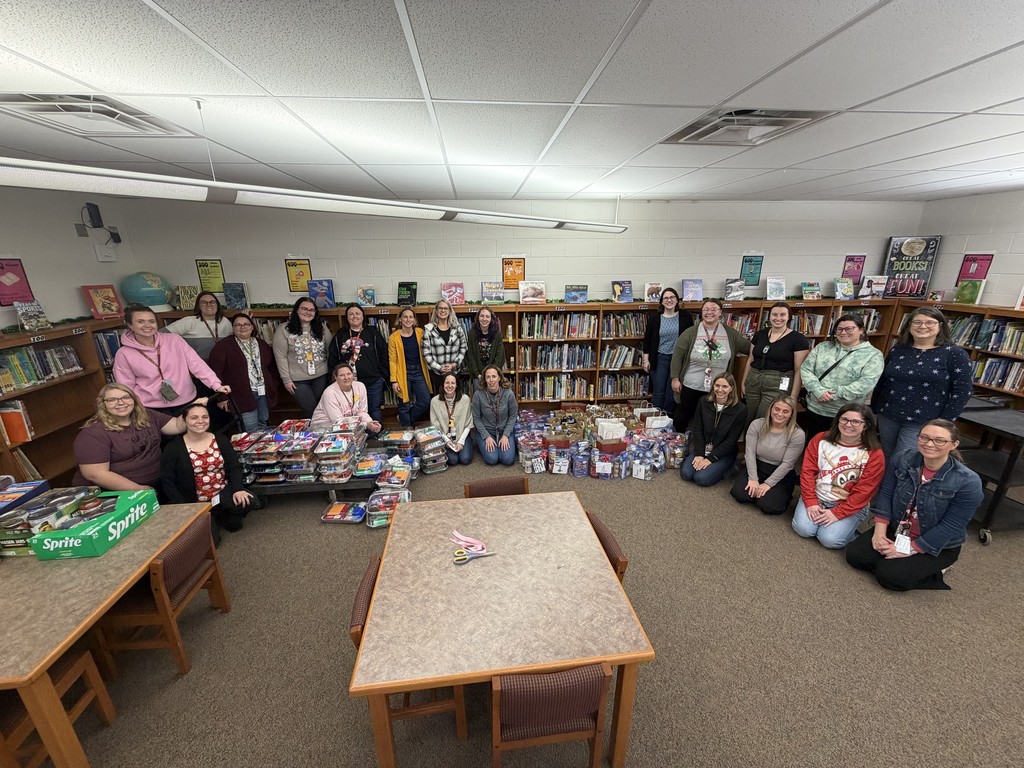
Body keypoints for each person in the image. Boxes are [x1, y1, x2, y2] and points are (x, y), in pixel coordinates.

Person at [846, 419, 983, 591]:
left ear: (954, 444)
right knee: (855, 557)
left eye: (939, 440)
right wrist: (879, 532)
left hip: (935, 542)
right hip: (898, 529)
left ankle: (938, 568)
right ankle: (898, 561)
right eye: (924, 437)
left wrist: (912, 548)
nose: (929, 444)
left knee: (890, 577)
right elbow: (886, 493)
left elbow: (952, 525)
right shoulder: (903, 458)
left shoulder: (968, 481)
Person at [871, 307, 973, 463]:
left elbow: (962, 391)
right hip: (888, 414)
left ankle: (900, 487)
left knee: (904, 460)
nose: (922, 326)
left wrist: (944, 423)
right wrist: (875, 407)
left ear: (941, 326)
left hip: (924, 420)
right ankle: (885, 487)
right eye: (917, 322)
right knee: (885, 456)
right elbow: (883, 380)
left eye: (929, 322)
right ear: (909, 325)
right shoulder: (898, 350)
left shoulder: (954, 354)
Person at [73, 383, 197, 495]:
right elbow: (96, 474)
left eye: (126, 398)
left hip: (158, 482)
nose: (121, 403)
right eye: (112, 400)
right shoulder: (93, 434)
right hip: (119, 493)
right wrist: (139, 489)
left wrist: (193, 409)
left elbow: (176, 426)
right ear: (103, 404)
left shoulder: (147, 415)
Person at [792, 403, 885, 549]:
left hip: (847, 503)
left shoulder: (874, 454)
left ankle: (849, 528)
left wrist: (837, 513)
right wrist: (811, 502)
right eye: (844, 419)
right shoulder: (820, 439)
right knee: (804, 530)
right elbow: (807, 472)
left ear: (866, 425)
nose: (848, 424)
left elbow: (864, 491)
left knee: (829, 540)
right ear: (838, 420)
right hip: (818, 496)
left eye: (855, 421)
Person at [113, 303, 230, 414]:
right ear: (129, 325)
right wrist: (134, 408)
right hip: (150, 408)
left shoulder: (175, 340)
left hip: (187, 401)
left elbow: (197, 364)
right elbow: (126, 385)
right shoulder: (123, 353)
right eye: (140, 321)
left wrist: (215, 384)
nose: (147, 325)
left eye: (151, 321)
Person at [161, 401, 256, 534]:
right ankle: (213, 516)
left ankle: (224, 511)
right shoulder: (173, 448)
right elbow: (167, 480)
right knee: (212, 541)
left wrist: (238, 489)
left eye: (204, 417)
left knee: (247, 506)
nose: (200, 421)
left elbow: (234, 467)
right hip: (194, 501)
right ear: (184, 421)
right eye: (194, 417)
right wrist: (184, 506)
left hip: (222, 493)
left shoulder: (220, 439)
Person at [670, 298, 752, 432]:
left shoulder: (730, 334)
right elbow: (677, 357)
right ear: (701, 312)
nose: (709, 313)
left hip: (718, 387)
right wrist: (675, 378)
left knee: (711, 419)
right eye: (706, 310)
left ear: (721, 313)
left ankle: (705, 447)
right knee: (683, 415)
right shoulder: (690, 333)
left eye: (714, 309)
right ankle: (678, 444)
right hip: (691, 384)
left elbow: (750, 349)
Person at [799, 313, 884, 438]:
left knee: (840, 449)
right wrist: (819, 390)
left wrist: (832, 394)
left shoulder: (873, 355)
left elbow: (865, 384)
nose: (843, 332)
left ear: (861, 330)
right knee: (814, 444)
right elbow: (806, 369)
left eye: (849, 328)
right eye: (839, 329)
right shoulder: (823, 347)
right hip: (816, 408)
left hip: (848, 415)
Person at [730, 396, 806, 514]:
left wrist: (767, 484)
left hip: (780, 471)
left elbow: (787, 464)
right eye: (777, 409)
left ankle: (783, 495)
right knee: (740, 495)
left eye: (785, 411)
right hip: (758, 466)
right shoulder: (757, 424)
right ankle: (758, 491)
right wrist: (753, 479)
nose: (780, 414)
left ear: (791, 414)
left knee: (769, 506)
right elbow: (749, 453)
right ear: (771, 409)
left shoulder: (797, 434)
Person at [208, 312, 279, 433]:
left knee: (263, 422)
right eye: (238, 325)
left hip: (263, 392)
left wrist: (274, 385)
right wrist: (222, 397)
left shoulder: (261, 344)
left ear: (252, 326)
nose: (243, 327)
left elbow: (271, 367)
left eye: (246, 324)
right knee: (249, 428)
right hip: (241, 395)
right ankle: (250, 450)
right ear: (233, 328)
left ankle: (261, 450)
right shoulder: (223, 346)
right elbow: (215, 372)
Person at [741, 302, 810, 424]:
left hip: (777, 384)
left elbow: (799, 369)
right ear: (769, 316)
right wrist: (744, 381)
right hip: (754, 380)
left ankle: (762, 443)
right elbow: (751, 359)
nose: (778, 318)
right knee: (748, 417)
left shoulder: (798, 340)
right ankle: (749, 442)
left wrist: (793, 396)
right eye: (774, 314)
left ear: (789, 317)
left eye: (782, 315)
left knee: (763, 419)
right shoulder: (760, 334)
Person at [326, 303, 389, 425]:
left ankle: (374, 436)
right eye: (351, 314)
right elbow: (333, 358)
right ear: (347, 317)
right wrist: (334, 378)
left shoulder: (373, 332)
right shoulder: (340, 335)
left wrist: (382, 375)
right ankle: (358, 438)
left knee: (374, 409)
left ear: (363, 316)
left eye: (357, 313)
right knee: (352, 412)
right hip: (348, 383)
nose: (354, 316)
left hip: (373, 380)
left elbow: (384, 353)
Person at [680, 373, 746, 487]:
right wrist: (700, 455)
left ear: (732, 388)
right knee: (686, 474)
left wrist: (711, 459)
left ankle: (728, 468)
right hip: (703, 448)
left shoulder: (740, 410)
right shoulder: (703, 402)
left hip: (724, 453)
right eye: (717, 385)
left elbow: (731, 440)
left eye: (725, 386)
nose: (720, 390)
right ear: (713, 386)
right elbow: (698, 429)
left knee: (701, 478)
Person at [273, 297, 333, 419]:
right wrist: (286, 379)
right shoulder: (284, 330)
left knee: (324, 408)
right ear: (296, 310)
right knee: (310, 409)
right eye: (304, 309)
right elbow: (281, 356)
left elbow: (330, 351)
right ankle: (314, 436)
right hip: (297, 380)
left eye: (312, 310)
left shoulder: (322, 328)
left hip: (321, 376)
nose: (308, 312)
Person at [642, 287, 693, 414]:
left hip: (678, 359)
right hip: (660, 358)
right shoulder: (655, 318)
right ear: (661, 301)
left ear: (677, 300)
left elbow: (691, 338)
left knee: (673, 392)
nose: (669, 300)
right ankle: (655, 418)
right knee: (659, 392)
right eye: (665, 298)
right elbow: (647, 340)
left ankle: (667, 421)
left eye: (672, 297)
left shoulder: (685, 317)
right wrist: (645, 360)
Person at [388, 307, 432, 427]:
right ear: (400, 320)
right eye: (405, 317)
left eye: (411, 317)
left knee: (425, 401)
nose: (408, 319)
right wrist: (394, 380)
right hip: (403, 373)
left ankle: (405, 420)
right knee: (404, 404)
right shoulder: (394, 337)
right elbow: (392, 360)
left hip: (419, 371)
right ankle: (407, 430)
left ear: (414, 320)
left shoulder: (420, 333)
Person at [310, 363, 382, 433]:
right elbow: (339, 422)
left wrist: (370, 422)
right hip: (323, 429)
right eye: (342, 375)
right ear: (336, 377)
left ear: (353, 375)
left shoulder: (360, 386)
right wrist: (366, 425)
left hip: (348, 427)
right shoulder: (329, 393)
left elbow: (362, 411)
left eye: (349, 374)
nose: (346, 377)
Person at [163, 291, 231, 359]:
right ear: (199, 306)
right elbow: (160, 335)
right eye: (204, 302)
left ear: (217, 305)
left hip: (220, 365)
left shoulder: (225, 322)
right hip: (195, 366)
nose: (208, 304)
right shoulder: (189, 321)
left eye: (212, 302)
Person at [472, 365, 518, 466]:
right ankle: (483, 445)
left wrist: (506, 435)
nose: (491, 380)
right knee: (492, 459)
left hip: (504, 430)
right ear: (484, 379)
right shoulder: (478, 395)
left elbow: (513, 416)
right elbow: (476, 418)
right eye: (488, 377)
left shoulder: (509, 393)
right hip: (487, 431)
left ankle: (502, 446)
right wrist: (486, 436)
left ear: (499, 378)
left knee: (507, 460)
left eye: (494, 376)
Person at [422, 299, 468, 394]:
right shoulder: (429, 329)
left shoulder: (457, 328)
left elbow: (463, 347)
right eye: (440, 308)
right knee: (440, 400)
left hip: (455, 371)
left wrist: (455, 364)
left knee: (455, 398)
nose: (443, 311)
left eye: (446, 308)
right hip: (438, 373)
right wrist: (439, 367)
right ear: (436, 310)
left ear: (450, 311)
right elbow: (426, 353)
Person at [430, 372, 474, 465]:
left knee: (465, 459)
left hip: (462, 435)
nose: (450, 386)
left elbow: (469, 423)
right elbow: (435, 426)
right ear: (442, 385)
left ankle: (467, 443)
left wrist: (461, 442)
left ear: (457, 385)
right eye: (447, 383)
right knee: (453, 460)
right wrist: (446, 441)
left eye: (453, 383)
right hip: (445, 437)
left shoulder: (465, 399)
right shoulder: (434, 401)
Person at [464, 307, 506, 380]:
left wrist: (492, 374)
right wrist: (477, 374)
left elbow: (500, 355)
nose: (484, 319)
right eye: (482, 316)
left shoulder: (497, 334)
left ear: (491, 319)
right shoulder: (472, 333)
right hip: (477, 375)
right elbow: (470, 356)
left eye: (487, 316)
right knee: (478, 391)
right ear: (478, 318)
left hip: (493, 374)